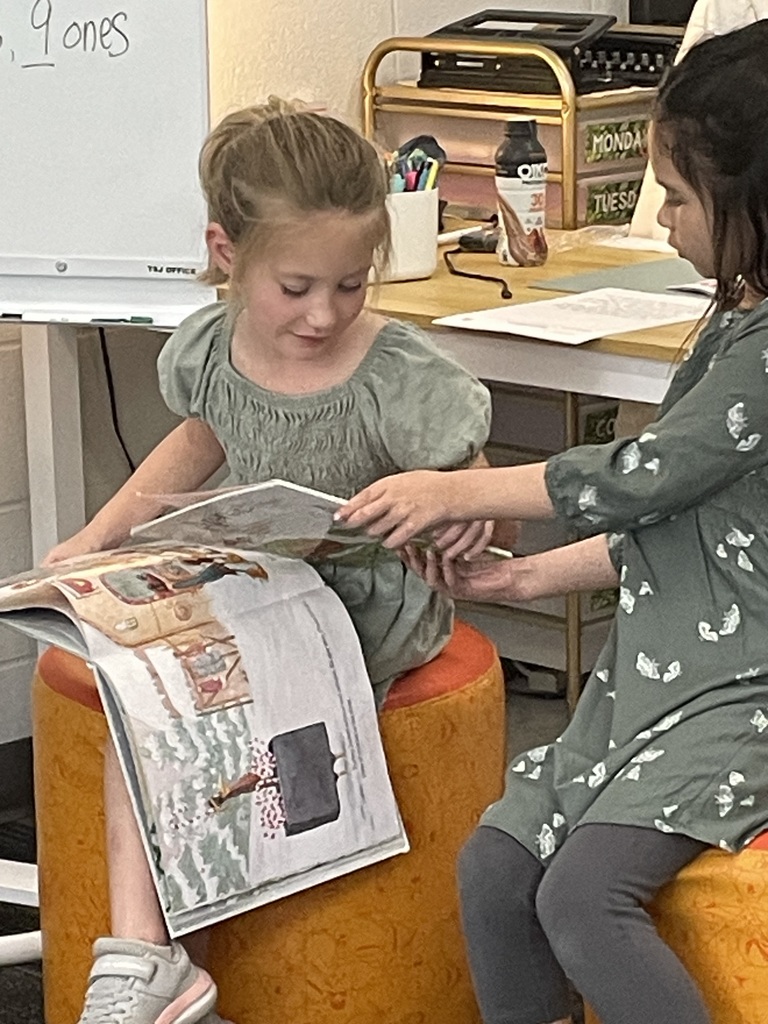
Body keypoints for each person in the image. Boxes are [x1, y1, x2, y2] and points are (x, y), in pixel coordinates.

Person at [338, 22, 768, 1024]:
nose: (661, 221)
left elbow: (641, 479)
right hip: (655, 683)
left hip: (742, 696)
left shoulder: (760, 356)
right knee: (495, 867)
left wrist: (457, 492)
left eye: (678, 197)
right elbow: (684, 536)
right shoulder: (739, 325)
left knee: (585, 895)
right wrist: (526, 580)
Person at [44, 98, 500, 1024]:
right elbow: (196, 446)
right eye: (295, 288)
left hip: (365, 604)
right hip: (252, 580)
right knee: (146, 694)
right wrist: (95, 543)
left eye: (350, 285)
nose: (323, 314)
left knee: (220, 706)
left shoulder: (393, 374)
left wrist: (462, 517)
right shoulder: (214, 350)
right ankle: (140, 956)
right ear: (226, 255)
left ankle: (166, 961)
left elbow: (474, 485)